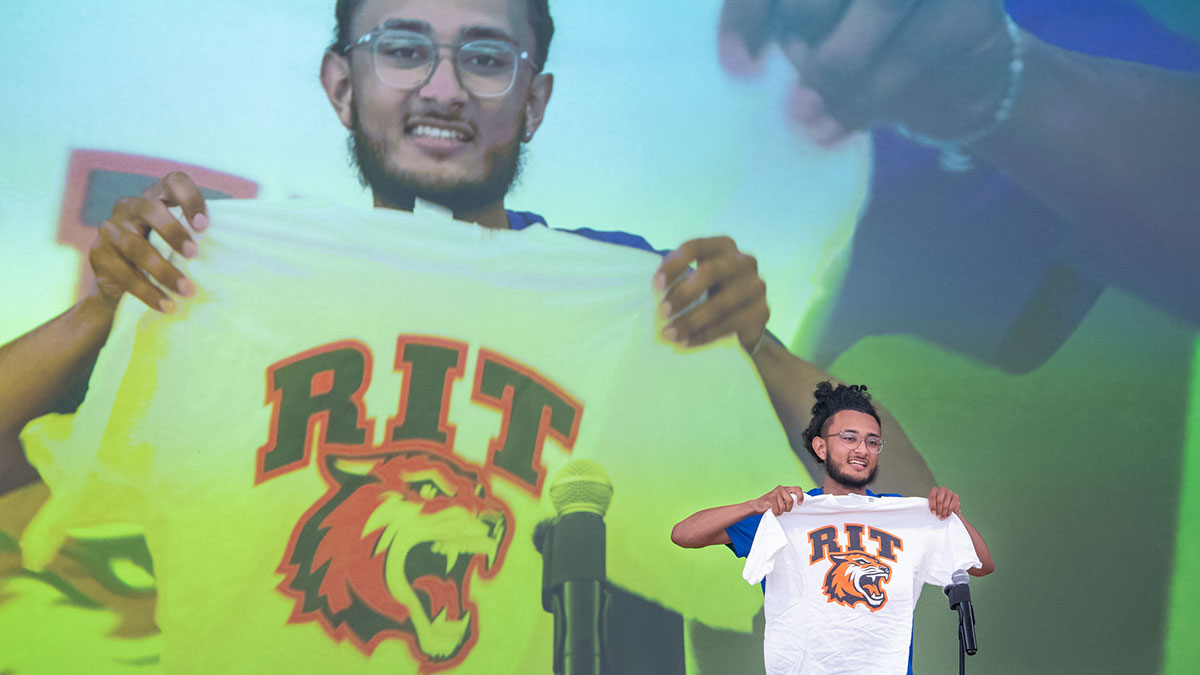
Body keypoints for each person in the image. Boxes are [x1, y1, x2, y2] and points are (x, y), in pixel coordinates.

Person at [0, 0, 937, 500]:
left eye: (487, 57)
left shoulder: (631, 289)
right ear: (341, 83)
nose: (443, 88)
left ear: (534, 100)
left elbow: (906, 505)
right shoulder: (235, 276)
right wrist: (101, 314)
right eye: (403, 48)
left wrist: (759, 351)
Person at [672, 381, 993, 673]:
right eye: (849, 438)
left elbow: (981, 564)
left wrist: (953, 513)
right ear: (820, 447)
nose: (862, 449)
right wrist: (754, 506)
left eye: (872, 442)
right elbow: (684, 534)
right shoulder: (787, 513)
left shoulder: (903, 516)